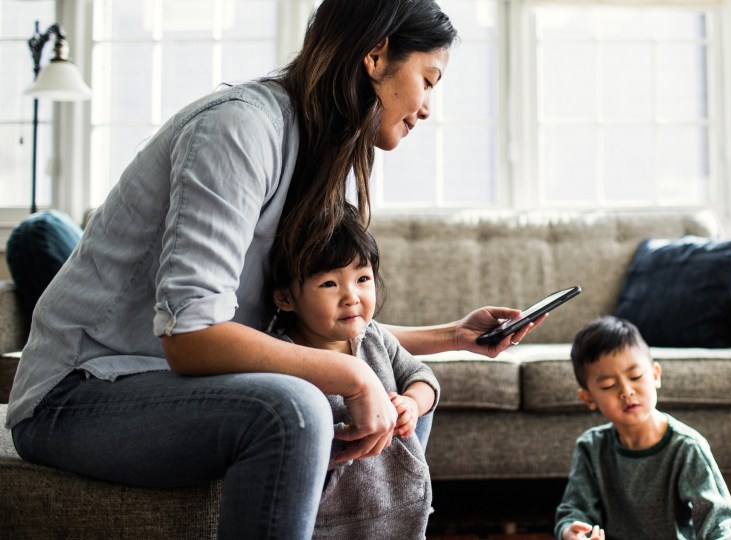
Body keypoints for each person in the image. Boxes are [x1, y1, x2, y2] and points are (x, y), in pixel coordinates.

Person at [4, 2, 537, 539]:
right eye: (428, 79)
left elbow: (320, 323)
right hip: (77, 393)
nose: (426, 108)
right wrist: (352, 375)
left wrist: (454, 337)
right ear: (376, 56)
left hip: (167, 383)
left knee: (402, 400)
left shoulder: (318, 155)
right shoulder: (239, 129)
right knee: (296, 407)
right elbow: (190, 335)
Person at [266, 203, 439, 536]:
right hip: (324, 513)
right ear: (286, 298)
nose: (352, 297)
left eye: (362, 279)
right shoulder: (282, 355)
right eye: (330, 284)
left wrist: (412, 404)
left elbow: (422, 377)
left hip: (396, 500)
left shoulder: (373, 337)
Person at [556, 316, 731, 540]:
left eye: (635, 376)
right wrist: (571, 531)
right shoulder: (591, 447)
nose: (626, 391)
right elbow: (574, 509)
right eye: (608, 386)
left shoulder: (687, 447)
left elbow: (720, 522)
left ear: (655, 375)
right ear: (588, 398)